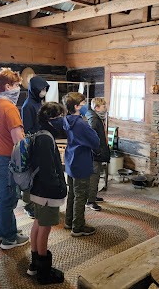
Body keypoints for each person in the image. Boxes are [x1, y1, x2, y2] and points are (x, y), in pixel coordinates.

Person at [0, 68, 29, 249]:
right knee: (8, 199)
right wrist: (26, 162)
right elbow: (18, 139)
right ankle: (10, 238)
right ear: (8, 86)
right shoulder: (9, 108)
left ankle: (0, 232)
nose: (19, 89)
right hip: (8, 158)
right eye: (17, 85)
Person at [27, 102, 67, 285]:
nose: (62, 120)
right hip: (46, 192)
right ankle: (43, 272)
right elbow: (48, 170)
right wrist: (58, 188)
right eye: (59, 117)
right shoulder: (45, 138)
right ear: (50, 119)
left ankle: (35, 264)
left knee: (38, 223)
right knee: (45, 228)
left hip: (38, 190)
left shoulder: (41, 134)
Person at [62, 92, 100, 237]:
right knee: (81, 195)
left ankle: (69, 221)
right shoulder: (82, 123)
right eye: (83, 104)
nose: (86, 106)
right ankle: (77, 227)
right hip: (82, 161)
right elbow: (95, 142)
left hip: (71, 161)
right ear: (77, 107)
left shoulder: (67, 119)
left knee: (72, 192)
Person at [20, 76, 49, 219]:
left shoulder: (38, 103)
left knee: (38, 176)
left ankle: (37, 201)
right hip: (32, 145)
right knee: (30, 176)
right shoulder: (28, 106)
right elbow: (28, 129)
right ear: (35, 89)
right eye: (42, 89)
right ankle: (29, 206)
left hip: (40, 143)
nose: (44, 91)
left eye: (45, 89)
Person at [84, 98, 110, 211]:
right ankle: (90, 201)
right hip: (94, 155)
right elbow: (91, 137)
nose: (105, 109)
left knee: (96, 176)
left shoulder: (97, 118)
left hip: (96, 153)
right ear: (97, 108)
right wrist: (97, 151)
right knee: (93, 178)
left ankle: (92, 196)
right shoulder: (94, 120)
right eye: (104, 106)